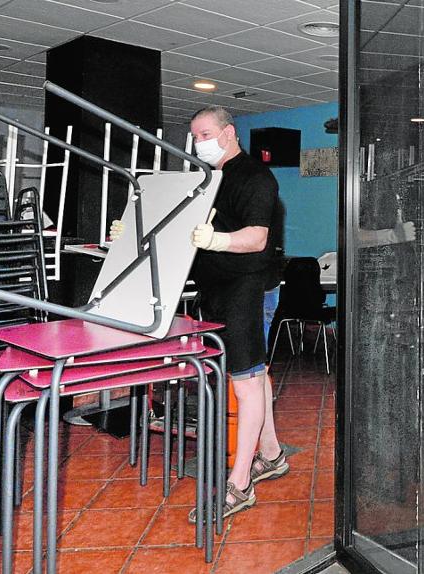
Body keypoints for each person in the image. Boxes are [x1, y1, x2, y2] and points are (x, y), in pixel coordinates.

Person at [111, 105, 288, 521]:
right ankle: (273, 455)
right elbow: (175, 230)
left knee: (245, 384)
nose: (198, 143)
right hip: (216, 289)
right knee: (253, 376)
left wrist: (217, 241)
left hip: (249, 288)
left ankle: (240, 483)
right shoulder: (205, 180)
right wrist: (129, 235)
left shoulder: (255, 177)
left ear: (229, 133)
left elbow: (256, 238)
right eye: (194, 137)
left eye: (204, 134)